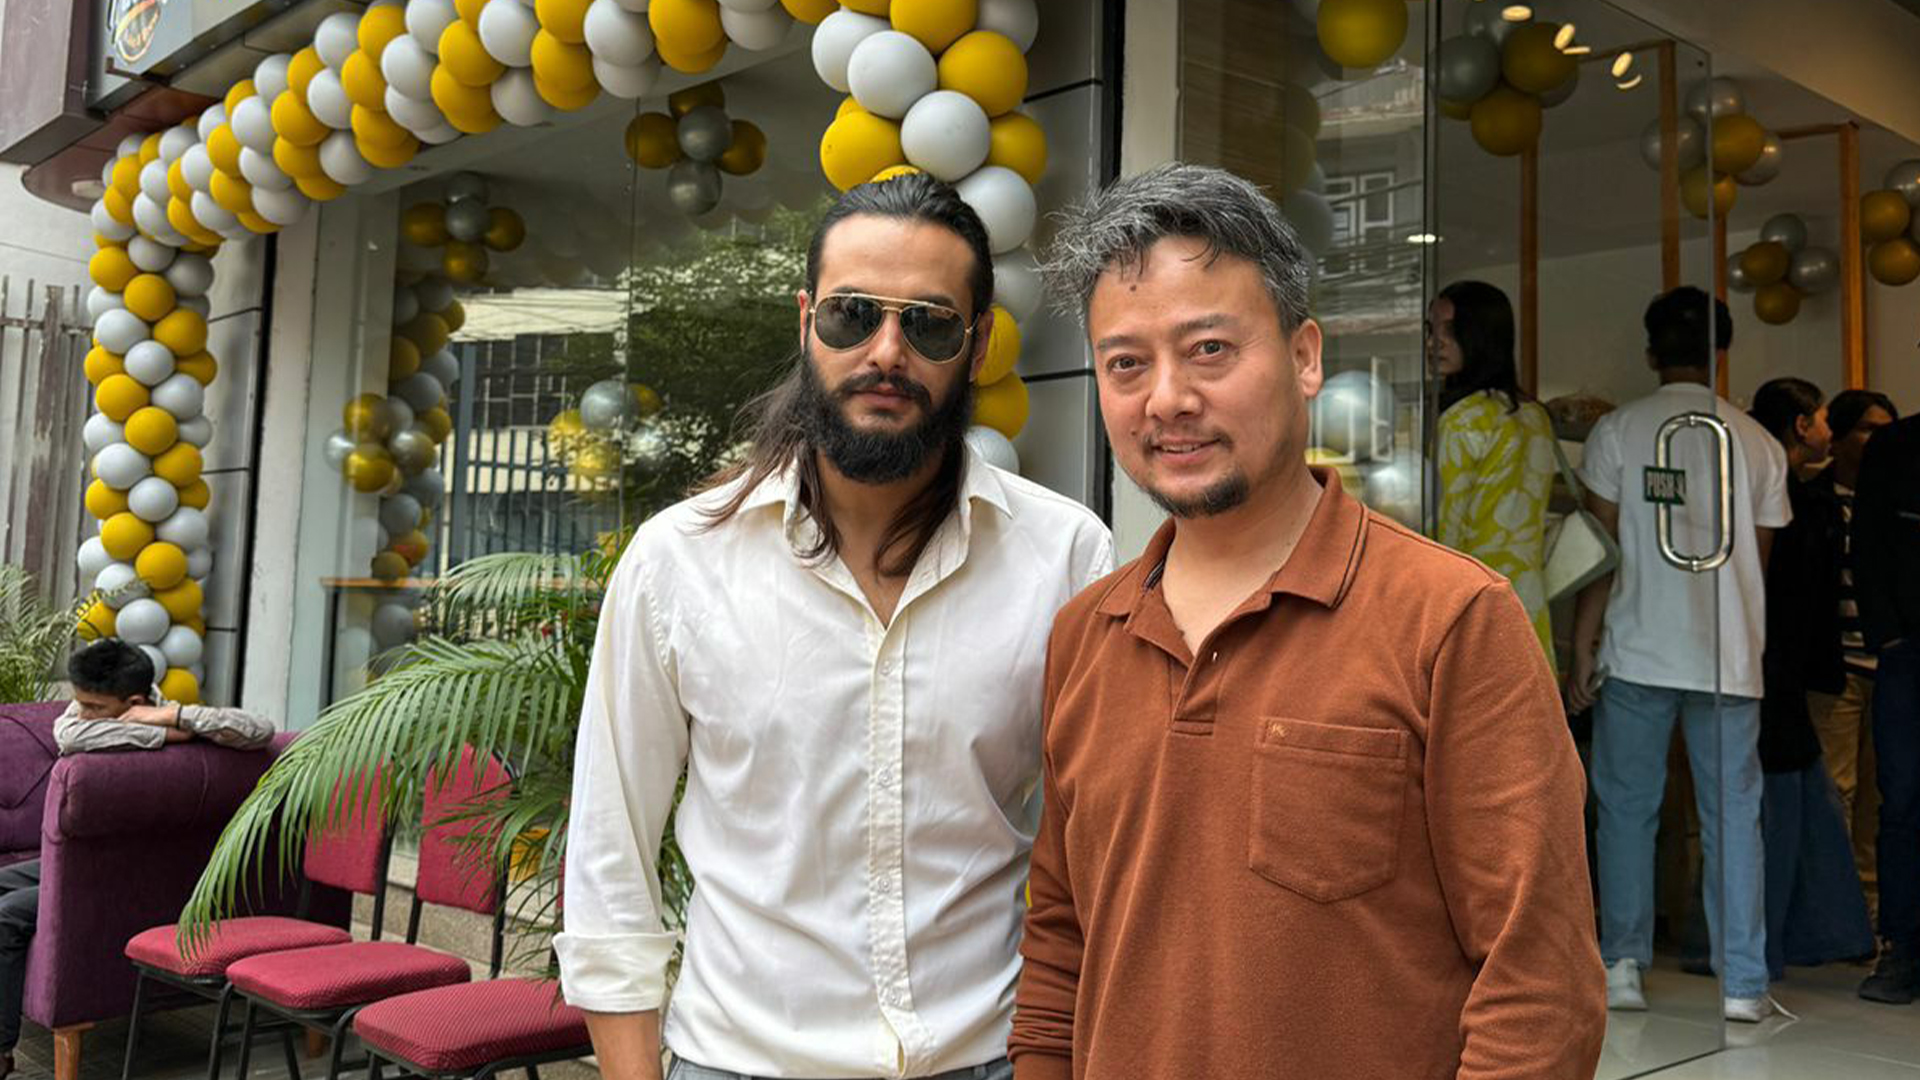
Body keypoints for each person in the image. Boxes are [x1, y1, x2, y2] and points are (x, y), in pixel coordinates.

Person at [1008, 163, 1603, 1080]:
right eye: (1126, 363)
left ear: (1304, 357)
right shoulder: (1086, 634)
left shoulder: (1451, 622)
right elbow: (1060, 943)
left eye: (1210, 348)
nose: (1166, 398)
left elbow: (1541, 988)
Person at [556, 174, 1113, 1080]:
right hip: (740, 1060)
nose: (887, 353)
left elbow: (1102, 848)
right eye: (852, 316)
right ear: (806, 322)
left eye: (930, 325)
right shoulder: (678, 564)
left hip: (991, 1055)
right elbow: (609, 859)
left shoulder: (1065, 556)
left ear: (977, 347)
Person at [1565, 286, 1790, 1022]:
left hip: (1638, 648)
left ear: (1650, 352)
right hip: (1730, 657)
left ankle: (1623, 965)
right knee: (1735, 819)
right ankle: (1743, 982)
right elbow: (1758, 565)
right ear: (1723, 353)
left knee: (1627, 813)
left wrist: (1582, 645)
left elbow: (1599, 555)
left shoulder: (1619, 432)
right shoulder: (1759, 442)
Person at [1, 640, 275, 1080]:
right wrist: (162, 734)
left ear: (135, 702)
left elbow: (259, 729)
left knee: (8, 913)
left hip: (120, 880)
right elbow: (68, 735)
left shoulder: (172, 714)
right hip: (78, 864)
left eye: (94, 707)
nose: (82, 713)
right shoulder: (88, 717)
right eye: (79, 702)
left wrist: (170, 717)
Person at [1747, 378, 1873, 982]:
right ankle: (1792, 935)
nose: (1827, 430)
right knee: (1797, 801)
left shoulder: (1787, 491)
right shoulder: (1790, 494)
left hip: (1780, 666)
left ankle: (1796, 933)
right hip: (1781, 667)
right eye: (1822, 418)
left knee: (1801, 799)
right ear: (1801, 425)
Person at [1429, 280, 1559, 659]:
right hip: (1527, 596)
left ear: (1482, 334)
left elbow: (1445, 526)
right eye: (1430, 329)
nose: (1435, 342)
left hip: (1471, 600)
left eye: (1451, 330)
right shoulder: (1535, 415)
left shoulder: (1462, 420)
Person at [1808, 390, 1899, 907]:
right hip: (1836, 663)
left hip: (1889, 663)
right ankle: (1836, 912)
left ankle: (1871, 908)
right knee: (1835, 791)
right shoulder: (1814, 498)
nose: (1879, 440)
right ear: (1839, 437)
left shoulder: (1895, 496)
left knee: (1882, 795)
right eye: (1867, 428)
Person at [1854, 406, 1920, 1003]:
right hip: (1909, 651)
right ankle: (1902, 947)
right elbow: (1868, 545)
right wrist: (1889, 636)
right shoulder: (1896, 445)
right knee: (1902, 800)